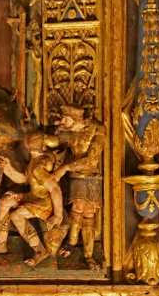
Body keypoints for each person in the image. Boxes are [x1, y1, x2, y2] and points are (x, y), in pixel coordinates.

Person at [0, 133, 65, 267]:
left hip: (43, 202)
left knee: (16, 215)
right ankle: (1, 244)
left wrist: (58, 215)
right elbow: (23, 179)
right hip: (32, 196)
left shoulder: (39, 166)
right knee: (5, 201)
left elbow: (55, 189)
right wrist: (7, 168)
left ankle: (40, 250)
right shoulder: (34, 161)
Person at [53, 105, 103, 270]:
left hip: (91, 176)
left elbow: (91, 160)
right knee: (77, 208)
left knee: (89, 214)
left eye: (65, 119)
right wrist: (56, 132)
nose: (62, 122)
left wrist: (65, 168)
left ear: (75, 119)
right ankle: (71, 243)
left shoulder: (96, 130)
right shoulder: (69, 132)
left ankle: (88, 255)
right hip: (76, 177)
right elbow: (54, 143)